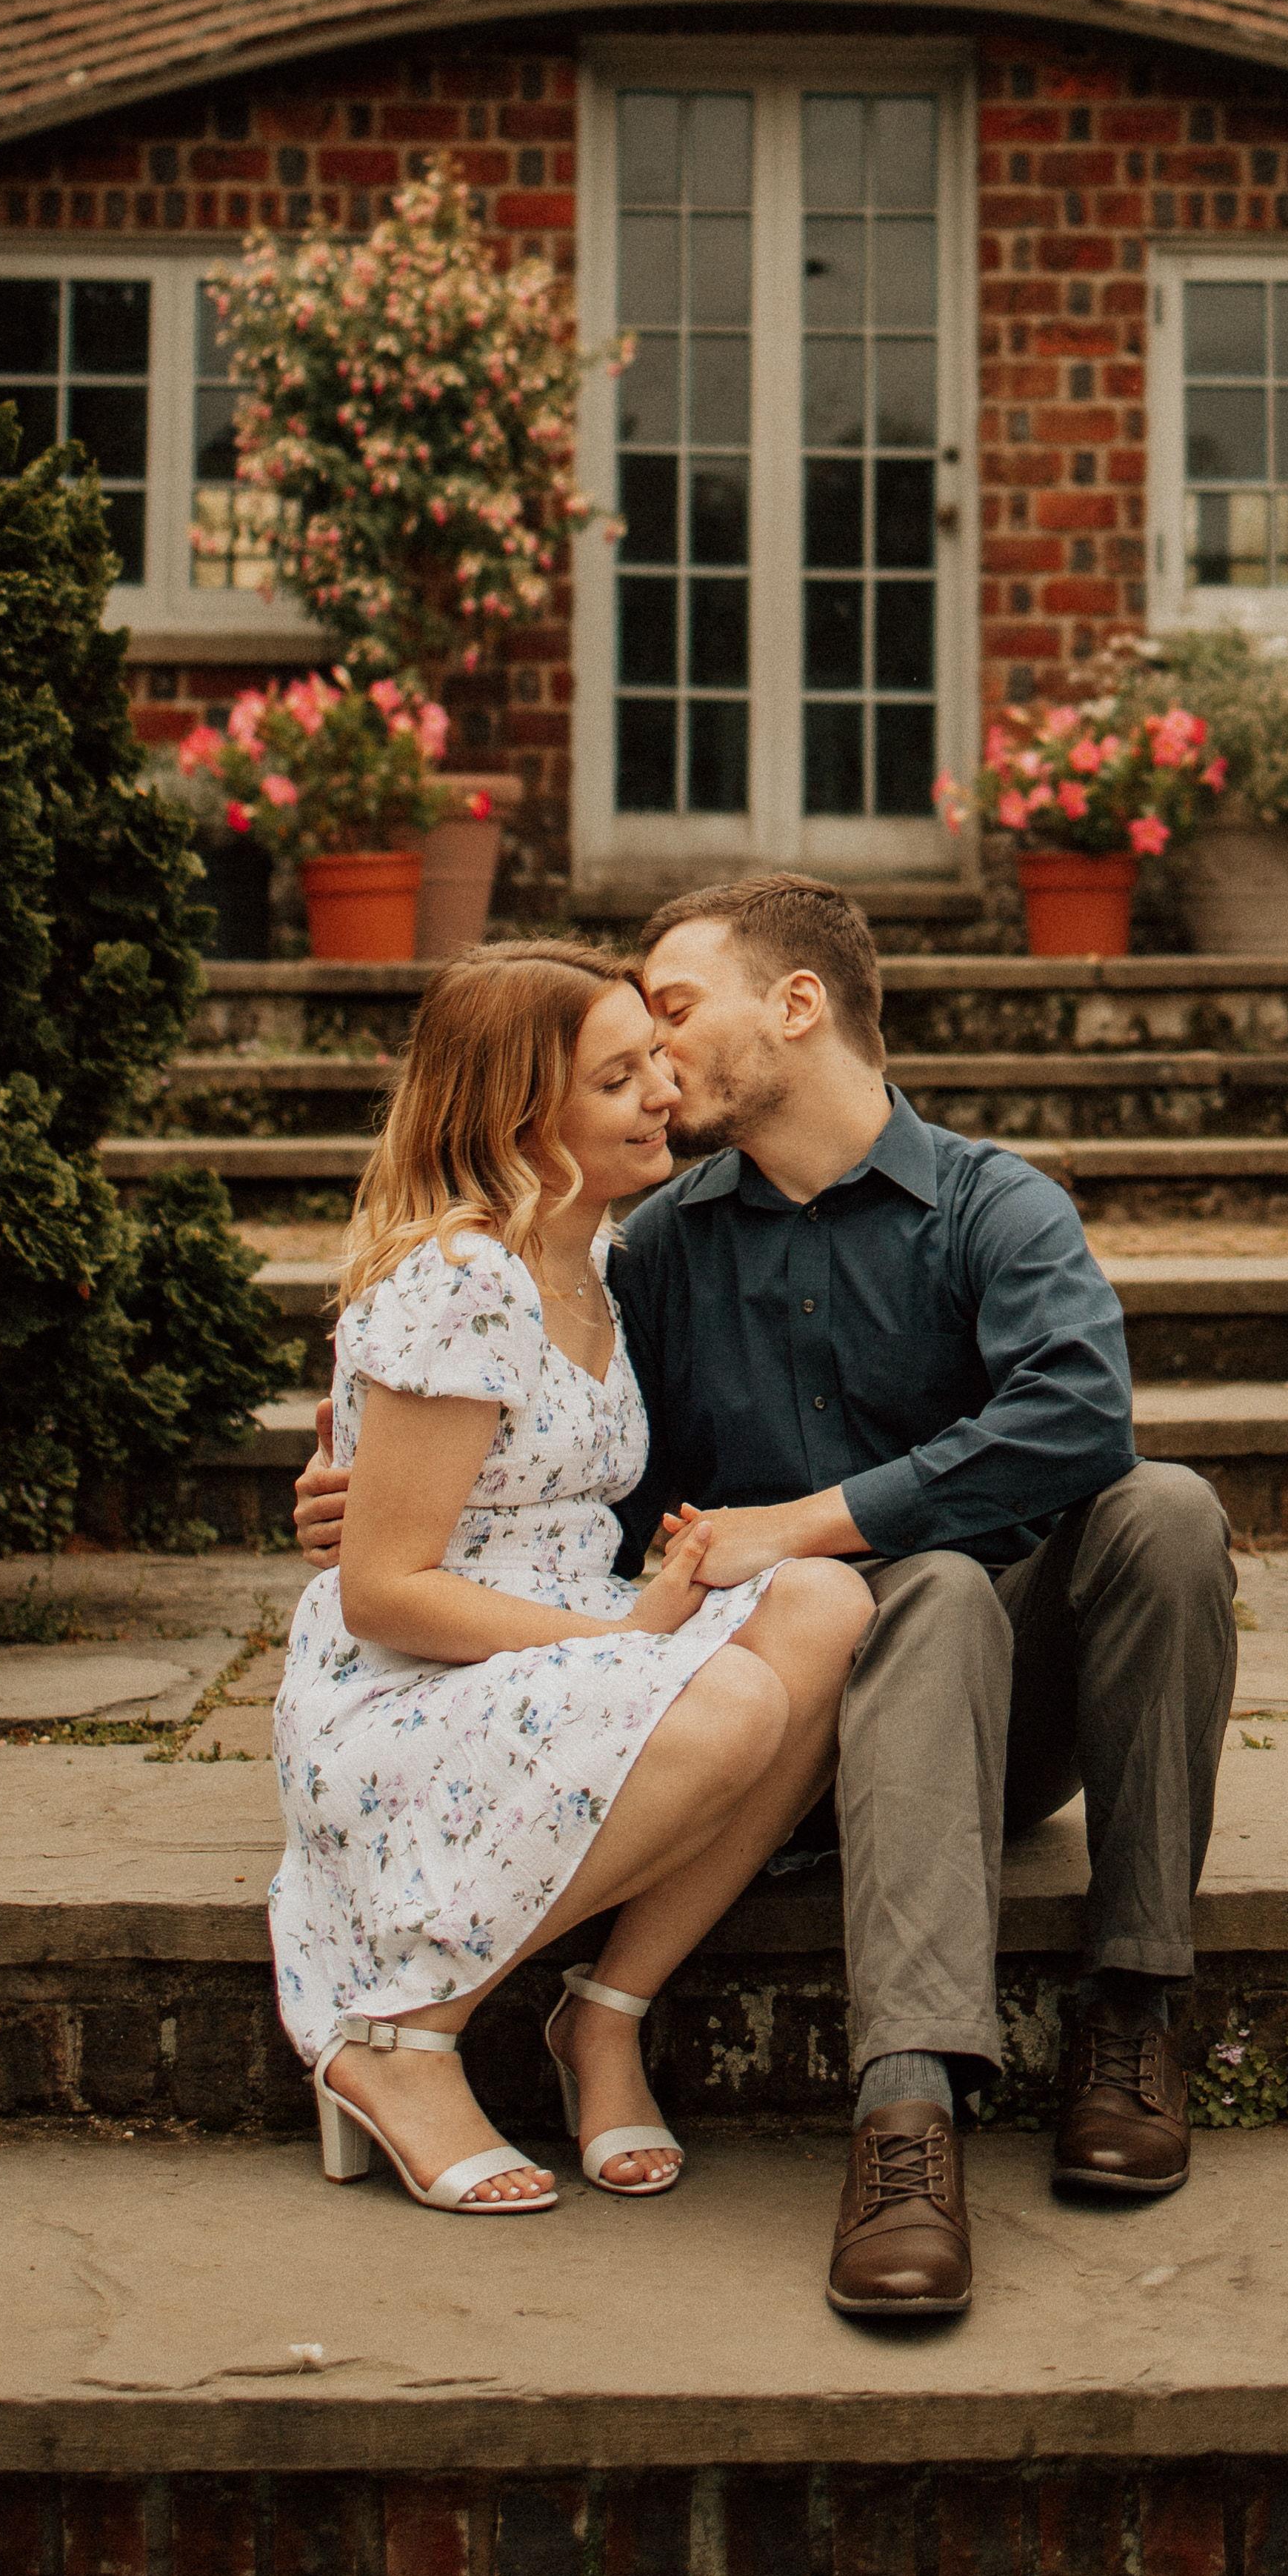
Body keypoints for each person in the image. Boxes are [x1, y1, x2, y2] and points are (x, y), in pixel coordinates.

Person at [293, 874, 1235, 2316]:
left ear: (797, 1005)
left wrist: (804, 1523)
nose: (655, 1061)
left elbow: (1078, 1417)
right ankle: (907, 2115)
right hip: (787, 1723)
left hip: (998, 1713)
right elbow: (559, 1475)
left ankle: (1135, 2013)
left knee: (1163, 1510)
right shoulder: (656, 1250)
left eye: (671, 1012)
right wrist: (367, 1499)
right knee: (919, 1589)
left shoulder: (993, 1204)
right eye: (629, 1046)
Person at [268, 939, 874, 2215]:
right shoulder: (465, 1280)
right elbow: (385, 1591)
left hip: (559, 1635)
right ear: (518, 1120)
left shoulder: (593, 1262)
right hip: (411, 1679)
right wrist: (631, 1639)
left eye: (655, 1057)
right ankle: (399, 2035)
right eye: (617, 1080)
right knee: (730, 1702)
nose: (665, 1091)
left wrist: (662, 1594)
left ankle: (605, 2013)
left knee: (825, 1603)